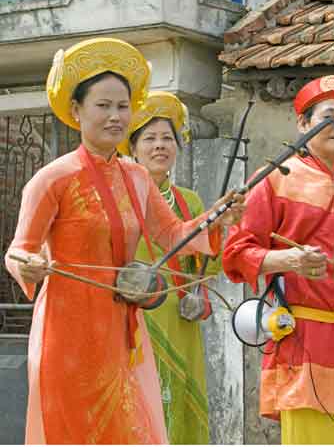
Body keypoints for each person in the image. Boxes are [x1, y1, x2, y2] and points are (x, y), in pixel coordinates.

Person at [5, 37, 245, 445]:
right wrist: (27, 264)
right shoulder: (51, 179)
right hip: (67, 330)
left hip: (122, 329)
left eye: (122, 106)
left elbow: (171, 234)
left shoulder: (136, 176)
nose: (116, 116)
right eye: (104, 106)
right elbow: (18, 250)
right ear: (77, 111)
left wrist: (217, 216)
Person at [223, 75, 334, 445]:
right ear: (303, 123)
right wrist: (288, 259)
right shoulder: (276, 178)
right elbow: (236, 254)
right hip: (308, 340)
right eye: (329, 116)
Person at [118, 91, 222, 444]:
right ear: (132, 148)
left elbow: (205, 264)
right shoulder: (119, 197)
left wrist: (200, 295)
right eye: (149, 138)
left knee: (177, 402)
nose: (159, 146)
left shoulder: (188, 201)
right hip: (132, 319)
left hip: (179, 318)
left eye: (167, 138)